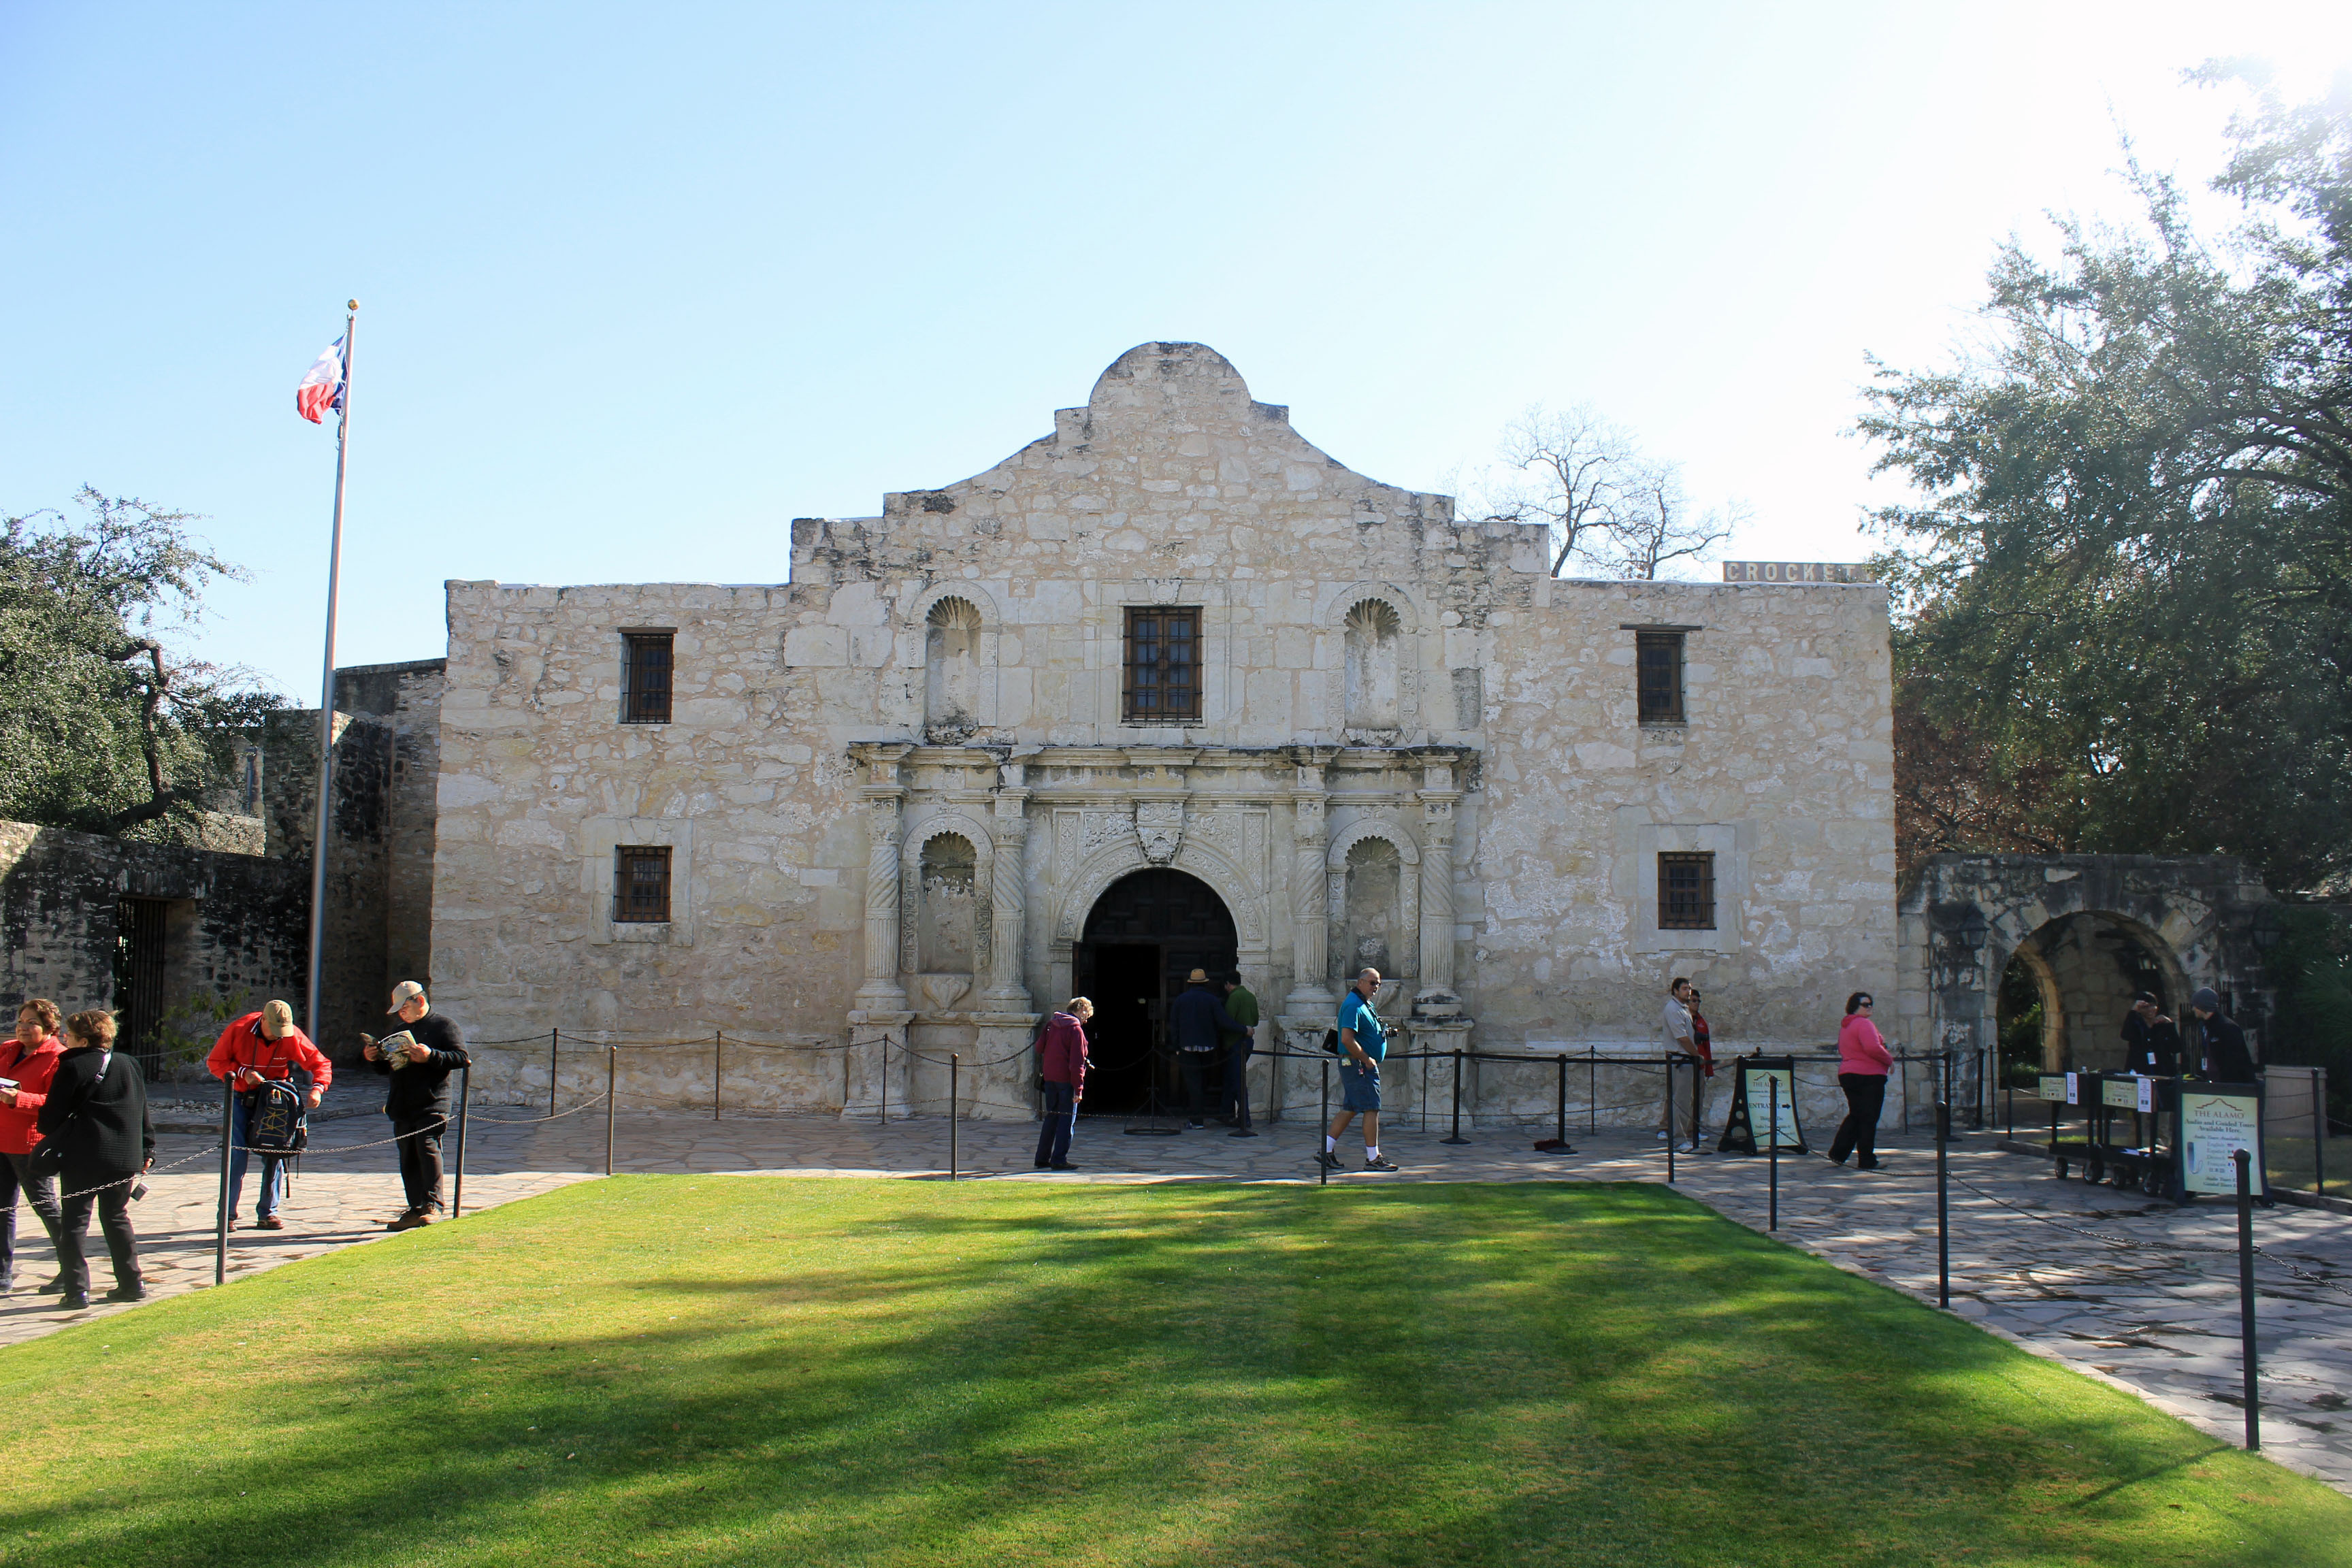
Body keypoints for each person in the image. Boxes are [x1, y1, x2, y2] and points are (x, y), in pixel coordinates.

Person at [36, 1010, 152, 1310]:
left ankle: (77, 1291)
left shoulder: (73, 1066)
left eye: (70, 1035)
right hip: (123, 1156)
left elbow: (51, 1119)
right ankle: (132, 1282)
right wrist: (148, 1148)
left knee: (75, 1222)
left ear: (84, 1040)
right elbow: (142, 1111)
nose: (65, 1039)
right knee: (116, 1217)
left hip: (83, 1156)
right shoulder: (129, 1064)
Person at [206, 998, 333, 1231]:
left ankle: (268, 1212)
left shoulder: (291, 1035)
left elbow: (321, 1063)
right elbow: (216, 1062)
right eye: (274, 1030)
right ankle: (227, 1215)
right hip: (242, 1099)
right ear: (262, 1020)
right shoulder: (238, 1029)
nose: (278, 1036)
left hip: (276, 1101)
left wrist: (318, 1088)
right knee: (237, 1155)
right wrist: (243, 1073)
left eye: (282, 1032)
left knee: (276, 1153)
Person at [363, 981, 470, 1230]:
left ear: (420, 1001)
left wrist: (431, 1056)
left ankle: (433, 1205)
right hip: (402, 1104)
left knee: (428, 1148)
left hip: (432, 1103)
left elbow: (461, 1058)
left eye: (404, 1007)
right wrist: (374, 1058)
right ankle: (416, 1207)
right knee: (408, 1157)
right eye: (399, 1010)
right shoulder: (399, 1029)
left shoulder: (444, 1026)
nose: (401, 1013)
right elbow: (388, 1066)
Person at [0, 1000, 67, 1295]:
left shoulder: (58, 1058)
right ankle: (3, 1274)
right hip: (1, 1140)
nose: (23, 1027)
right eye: (21, 1021)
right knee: (2, 1209)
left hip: (29, 1144)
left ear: (49, 1027)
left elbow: (57, 1104)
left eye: (32, 1023)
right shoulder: (7, 1050)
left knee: (46, 1207)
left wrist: (19, 1099)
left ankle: (72, 1268)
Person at [1322, 968, 1397, 1172]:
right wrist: (1367, 1060)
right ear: (1361, 982)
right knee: (1372, 1108)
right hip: (1359, 1065)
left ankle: (1326, 1151)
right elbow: (1347, 1039)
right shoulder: (1354, 1005)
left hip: (1358, 1064)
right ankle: (1373, 1159)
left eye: (1378, 984)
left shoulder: (1364, 1004)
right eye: (1372, 983)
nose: (1376, 988)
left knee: (1351, 1107)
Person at [1169, 968, 1243, 1129]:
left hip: (1186, 1048)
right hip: (1208, 1048)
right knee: (1202, 1083)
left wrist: (1176, 1047)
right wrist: (1244, 1029)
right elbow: (1223, 1022)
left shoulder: (1181, 1000)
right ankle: (1198, 1118)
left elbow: (1173, 1025)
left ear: (1190, 983)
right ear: (1205, 983)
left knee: (1193, 1084)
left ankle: (1196, 1121)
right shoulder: (1212, 1000)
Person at [1827, 991, 1892, 1169]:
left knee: (1857, 1115)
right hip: (1869, 1076)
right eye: (1865, 1004)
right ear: (1855, 1006)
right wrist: (1889, 1060)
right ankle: (1867, 1159)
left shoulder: (1846, 1026)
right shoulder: (1864, 1024)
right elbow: (1873, 1048)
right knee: (1868, 1119)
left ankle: (1838, 1153)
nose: (1870, 1007)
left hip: (1849, 1074)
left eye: (1871, 1004)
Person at [1033, 997, 1093, 1171]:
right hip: (1066, 1080)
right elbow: (1077, 1062)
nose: (1087, 1019)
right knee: (1067, 1120)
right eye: (1087, 1014)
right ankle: (1059, 1159)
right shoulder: (1076, 1030)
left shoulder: (1051, 1024)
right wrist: (1079, 1089)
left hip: (1050, 1078)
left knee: (1051, 1117)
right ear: (1081, 1009)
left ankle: (1042, 1158)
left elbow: (1039, 1048)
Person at [1657, 977, 1705, 1149]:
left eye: (1689, 989)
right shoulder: (1673, 1009)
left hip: (1686, 1059)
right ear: (1676, 991)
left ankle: (1685, 1134)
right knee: (1681, 1101)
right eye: (1685, 989)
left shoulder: (1683, 1009)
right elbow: (1682, 1038)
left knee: (1684, 1099)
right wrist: (1696, 1055)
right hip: (1681, 1059)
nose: (1688, 992)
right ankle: (1679, 1139)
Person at [2189, 987, 2256, 1083]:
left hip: (2230, 1086)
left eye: (2195, 1005)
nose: (2193, 1009)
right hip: (2216, 1083)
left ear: (2202, 1006)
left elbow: (2235, 1062)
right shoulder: (2206, 1026)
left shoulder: (2227, 1027)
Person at [1220, 973, 1259, 1131]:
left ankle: (1245, 1118)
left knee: (1237, 1081)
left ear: (1228, 984)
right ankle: (1224, 1112)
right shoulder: (1250, 996)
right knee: (1232, 1078)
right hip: (1248, 1043)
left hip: (1236, 1043)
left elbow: (1227, 1020)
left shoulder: (1234, 998)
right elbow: (1255, 1020)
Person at [2121, 992, 2183, 1077]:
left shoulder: (2162, 1025)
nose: (2150, 1009)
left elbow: (2176, 1048)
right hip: (2141, 1073)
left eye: (2153, 1005)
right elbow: (2125, 1035)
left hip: (2162, 1074)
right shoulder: (2136, 1025)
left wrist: (2170, 1024)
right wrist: (2133, 1011)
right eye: (2145, 1007)